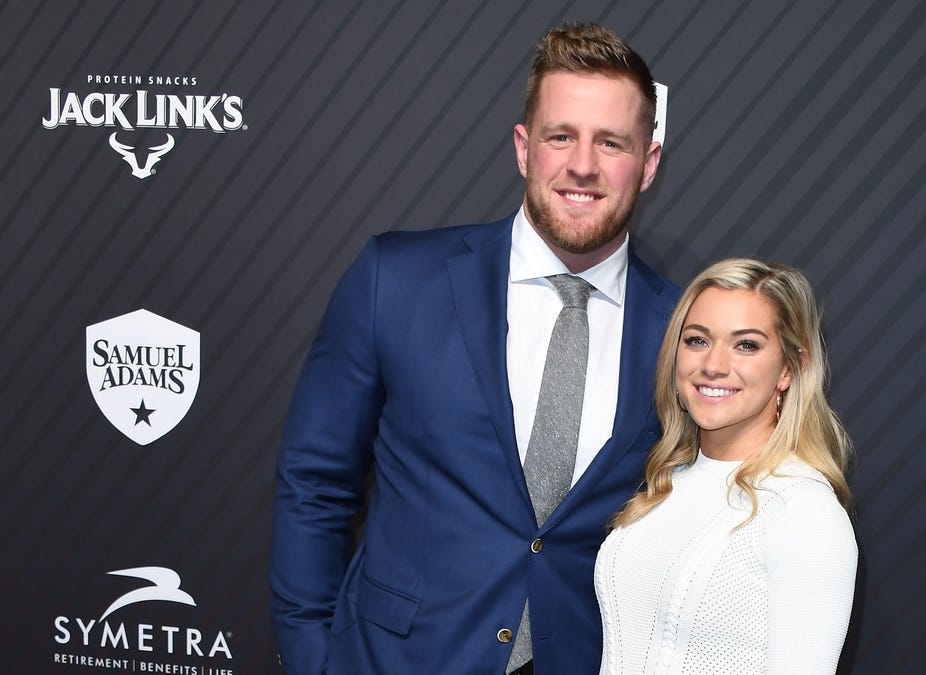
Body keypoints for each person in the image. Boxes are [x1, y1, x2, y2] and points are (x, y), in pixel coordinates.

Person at [270, 22, 679, 674]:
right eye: (560, 136)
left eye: (612, 142)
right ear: (524, 148)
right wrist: (312, 656)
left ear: (649, 163)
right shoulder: (395, 280)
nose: (582, 163)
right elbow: (314, 486)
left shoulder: (681, 330)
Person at [595, 258, 857, 674]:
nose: (713, 364)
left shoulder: (804, 511)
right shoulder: (670, 482)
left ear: (790, 368)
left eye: (746, 345)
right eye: (697, 340)